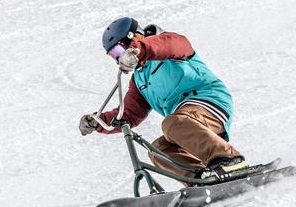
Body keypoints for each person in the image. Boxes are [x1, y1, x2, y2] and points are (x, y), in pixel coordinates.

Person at [79, 17, 248, 181]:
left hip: (210, 101)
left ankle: (229, 159)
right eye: (113, 55)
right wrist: (99, 121)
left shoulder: (168, 43)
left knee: (172, 123)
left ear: (135, 36)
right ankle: (200, 179)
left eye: (119, 50)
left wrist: (138, 50)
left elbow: (168, 45)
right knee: (158, 150)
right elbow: (128, 114)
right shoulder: (139, 79)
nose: (119, 57)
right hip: (186, 121)